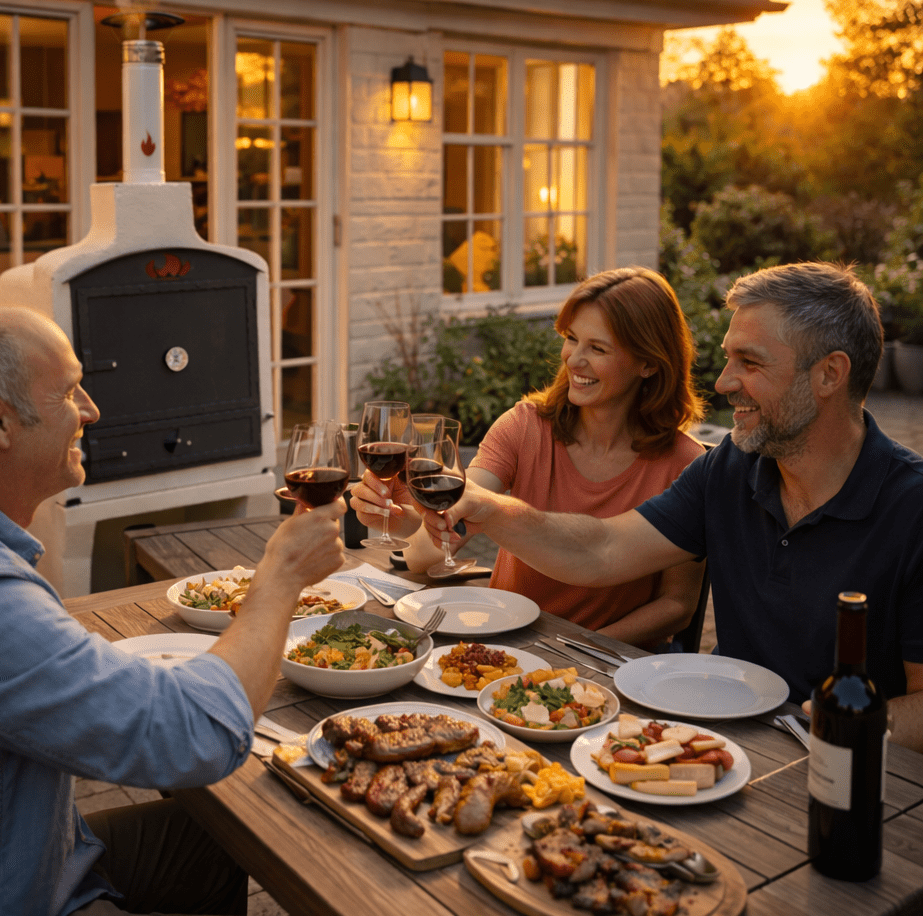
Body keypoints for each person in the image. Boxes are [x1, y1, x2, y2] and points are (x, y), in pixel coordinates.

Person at [0, 302, 347, 915]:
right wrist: (280, 577)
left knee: (213, 837)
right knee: (293, 833)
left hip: (29, 849)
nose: (91, 411)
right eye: (68, 391)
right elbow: (195, 736)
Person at [392, 262, 923, 751]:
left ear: (830, 374)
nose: (723, 382)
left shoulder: (912, 507)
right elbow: (602, 549)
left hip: (859, 770)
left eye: (751, 362)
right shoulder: (730, 469)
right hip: (722, 738)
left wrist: (844, 728)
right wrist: (488, 508)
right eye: (727, 358)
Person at [375, 268, 708, 649]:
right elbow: (427, 553)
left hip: (608, 664)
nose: (574, 360)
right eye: (571, 339)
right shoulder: (524, 427)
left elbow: (678, 604)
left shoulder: (685, 463)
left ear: (648, 363)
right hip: (507, 650)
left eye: (597, 348)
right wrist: (408, 521)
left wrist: (576, 648)